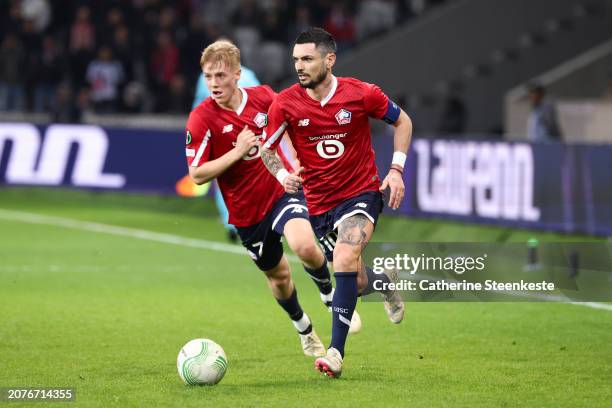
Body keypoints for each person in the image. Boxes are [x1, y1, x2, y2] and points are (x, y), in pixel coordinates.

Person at [184, 40, 360, 358]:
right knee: (279, 277)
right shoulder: (202, 118)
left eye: (221, 76)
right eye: (208, 77)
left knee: (305, 244)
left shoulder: (264, 97)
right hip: (246, 213)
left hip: (280, 190)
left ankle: (329, 294)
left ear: (238, 74)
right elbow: (197, 174)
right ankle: (304, 328)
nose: (214, 84)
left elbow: (293, 119)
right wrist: (237, 151)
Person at [261, 28, 413, 378]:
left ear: (329, 60)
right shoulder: (284, 103)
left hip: (361, 194)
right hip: (319, 206)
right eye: (296, 59)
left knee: (344, 257)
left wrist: (396, 170)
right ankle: (383, 281)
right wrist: (283, 176)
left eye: (307, 59)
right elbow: (267, 148)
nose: (300, 66)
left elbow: (402, 120)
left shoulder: (361, 94)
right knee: (355, 281)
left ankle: (335, 353)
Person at [192, 57, 261, 243]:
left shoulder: (243, 75)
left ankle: (234, 222)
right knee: (235, 178)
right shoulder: (247, 74)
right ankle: (239, 222)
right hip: (236, 135)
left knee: (227, 180)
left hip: (231, 135)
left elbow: (260, 102)